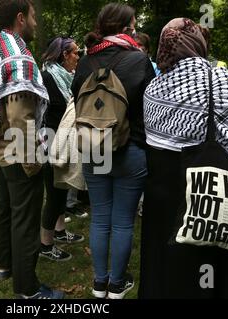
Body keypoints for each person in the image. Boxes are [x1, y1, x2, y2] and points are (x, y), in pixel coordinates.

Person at [140, 18, 228, 299]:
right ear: (198, 44)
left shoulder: (154, 86)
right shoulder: (215, 79)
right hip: (207, 195)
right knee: (210, 271)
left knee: (164, 268)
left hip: (161, 198)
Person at [0, 0, 63, 299]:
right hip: (17, 150)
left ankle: (4, 264)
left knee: (4, 209)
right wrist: (32, 163)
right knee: (25, 219)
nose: (36, 22)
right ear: (21, 18)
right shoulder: (18, 59)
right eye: (34, 16)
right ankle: (28, 289)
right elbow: (20, 119)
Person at [71, 2, 154, 299]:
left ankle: (99, 282)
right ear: (125, 27)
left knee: (99, 217)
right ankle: (117, 285)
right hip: (130, 148)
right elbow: (151, 109)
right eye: (133, 23)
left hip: (94, 149)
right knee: (122, 221)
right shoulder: (138, 60)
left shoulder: (84, 62)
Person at [39, 36, 84, 262]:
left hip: (65, 140)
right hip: (50, 141)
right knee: (54, 194)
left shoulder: (69, 77)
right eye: (75, 52)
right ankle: (45, 244)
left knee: (62, 187)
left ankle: (58, 231)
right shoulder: (48, 77)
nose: (78, 56)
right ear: (64, 55)